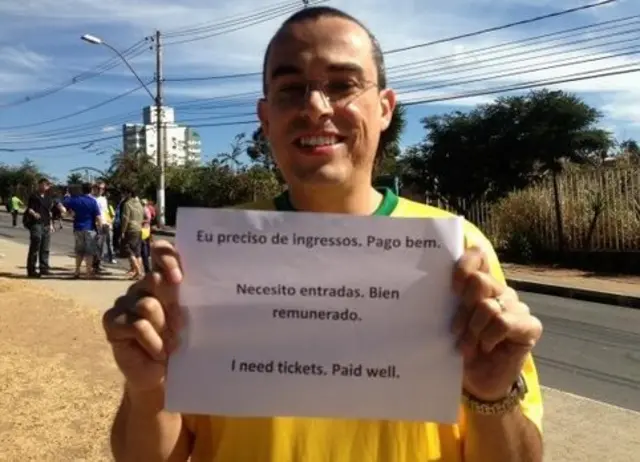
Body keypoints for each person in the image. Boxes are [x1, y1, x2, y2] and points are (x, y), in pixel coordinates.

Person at [102, 7, 544, 462]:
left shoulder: (462, 251)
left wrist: (494, 397)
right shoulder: (207, 261)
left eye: (342, 85)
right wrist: (148, 388)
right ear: (266, 116)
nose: (315, 107)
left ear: (385, 108)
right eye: (291, 89)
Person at [24, 178, 64, 278]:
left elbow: (49, 212)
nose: (47, 186)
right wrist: (34, 214)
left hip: (46, 223)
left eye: (49, 185)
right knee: (36, 243)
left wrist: (51, 224)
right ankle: (31, 269)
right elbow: (29, 209)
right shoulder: (34, 196)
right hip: (36, 223)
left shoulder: (48, 197)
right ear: (40, 184)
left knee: (45, 247)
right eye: (46, 184)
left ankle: (44, 268)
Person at [62, 183, 103, 279]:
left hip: (78, 228)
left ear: (82, 190)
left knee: (79, 251)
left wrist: (67, 196)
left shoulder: (76, 200)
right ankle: (88, 272)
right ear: (91, 190)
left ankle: (77, 271)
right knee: (89, 252)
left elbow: (65, 203)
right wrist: (100, 228)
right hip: (90, 228)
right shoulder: (93, 201)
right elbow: (98, 216)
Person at [119, 186, 145, 280]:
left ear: (129, 193)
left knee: (129, 250)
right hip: (139, 228)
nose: (124, 195)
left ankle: (138, 272)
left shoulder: (127, 204)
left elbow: (125, 218)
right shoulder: (139, 203)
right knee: (138, 252)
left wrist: (123, 231)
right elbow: (143, 215)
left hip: (130, 229)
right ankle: (138, 271)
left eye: (125, 193)